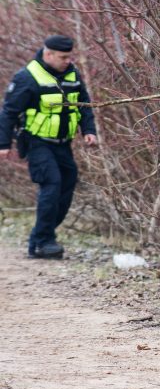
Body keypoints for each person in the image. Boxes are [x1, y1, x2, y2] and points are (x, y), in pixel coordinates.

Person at [0, 36, 98, 259]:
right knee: (51, 183)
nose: (67, 61)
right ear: (48, 54)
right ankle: (44, 241)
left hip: (63, 143)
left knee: (67, 184)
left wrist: (89, 130)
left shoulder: (72, 74)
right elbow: (8, 113)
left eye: (69, 56)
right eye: (63, 57)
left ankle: (41, 237)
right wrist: (3, 143)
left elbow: (83, 104)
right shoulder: (27, 77)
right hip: (37, 142)